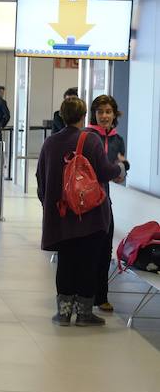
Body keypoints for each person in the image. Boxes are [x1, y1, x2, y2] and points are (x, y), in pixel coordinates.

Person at [37, 97, 126, 326]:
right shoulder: (91, 140)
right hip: (91, 216)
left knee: (66, 262)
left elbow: (40, 179)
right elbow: (106, 172)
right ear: (85, 115)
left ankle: (64, 313)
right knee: (88, 263)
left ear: (62, 115)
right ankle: (85, 314)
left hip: (62, 214)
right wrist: (122, 166)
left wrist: (50, 204)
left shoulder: (50, 143)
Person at [85, 95, 130, 313]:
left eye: (108, 112)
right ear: (94, 113)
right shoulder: (85, 136)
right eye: (101, 111)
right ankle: (82, 295)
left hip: (104, 200)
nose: (104, 116)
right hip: (84, 200)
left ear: (114, 115)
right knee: (86, 248)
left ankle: (100, 296)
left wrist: (121, 168)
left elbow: (118, 177)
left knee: (104, 249)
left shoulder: (117, 139)